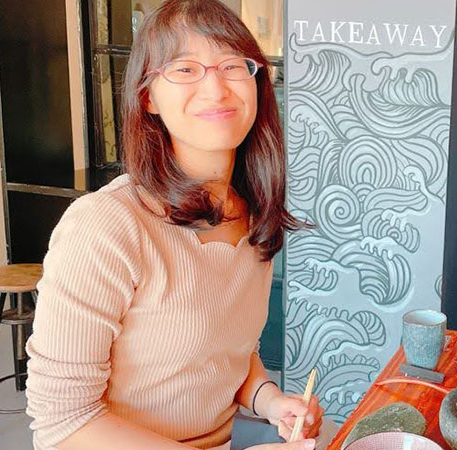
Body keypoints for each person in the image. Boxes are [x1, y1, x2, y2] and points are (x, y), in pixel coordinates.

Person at [24, 1, 321, 449]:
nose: (216, 88)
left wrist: (269, 400)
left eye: (232, 65)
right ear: (148, 97)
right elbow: (64, 423)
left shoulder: (251, 213)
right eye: (185, 69)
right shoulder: (105, 226)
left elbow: (228, 352)